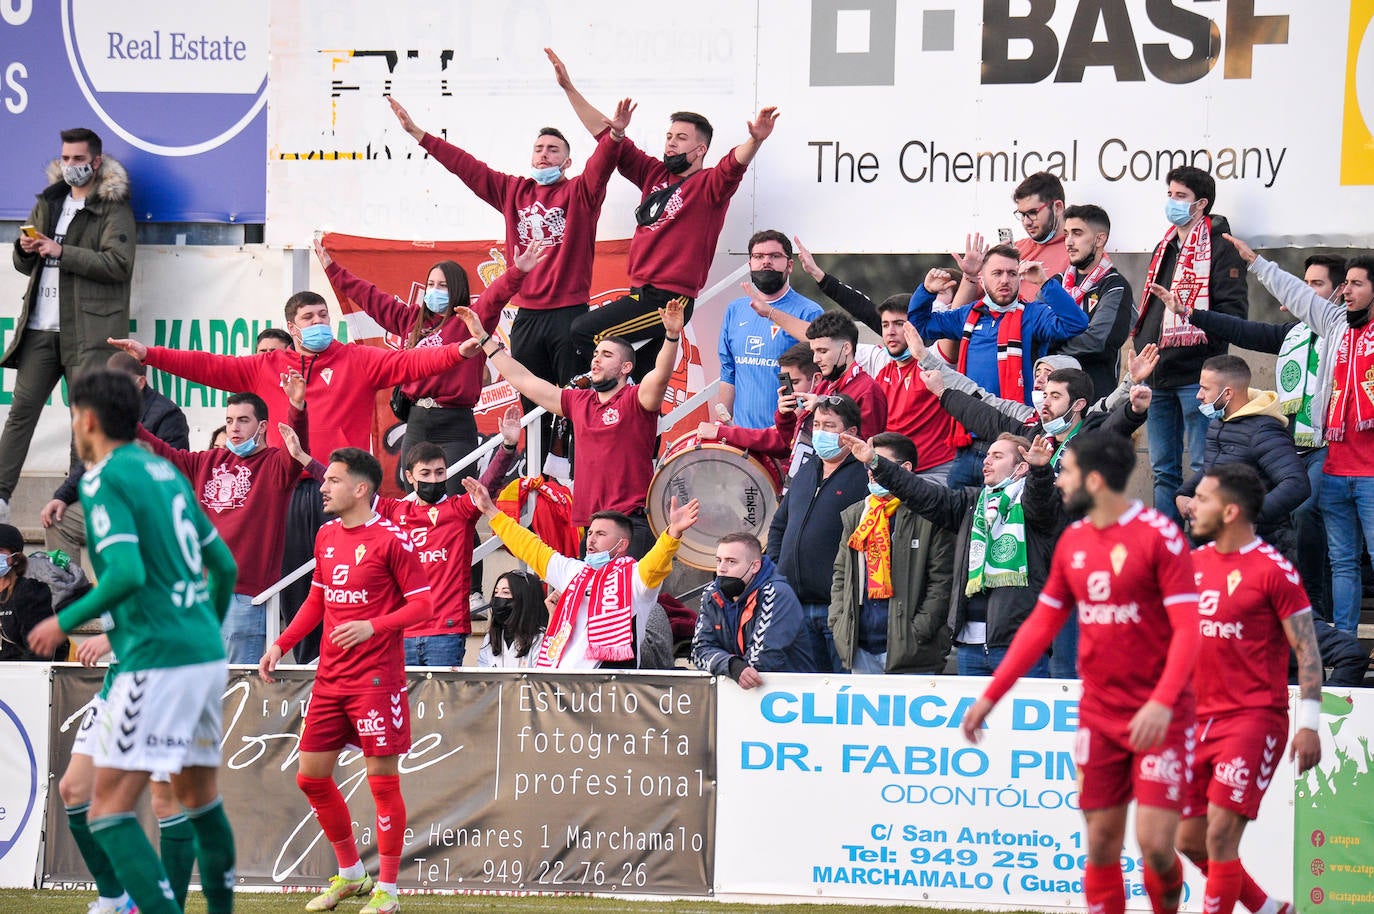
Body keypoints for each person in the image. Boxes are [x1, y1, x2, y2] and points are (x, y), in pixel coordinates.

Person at [110, 288, 477, 662]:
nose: (319, 323)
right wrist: (150, 355)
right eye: (309, 318)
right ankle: (306, 667)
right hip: (283, 489)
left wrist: (458, 352)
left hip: (340, 492)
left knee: (353, 581)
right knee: (294, 589)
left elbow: (411, 363)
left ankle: (350, 661)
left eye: (323, 316)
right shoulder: (265, 366)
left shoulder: (357, 359)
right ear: (292, 327)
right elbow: (209, 366)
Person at [958, 432, 1200, 914]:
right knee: (1102, 844)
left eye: (1064, 471)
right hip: (1100, 715)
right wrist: (990, 696)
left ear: (1093, 479)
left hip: (1160, 714)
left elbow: (1190, 629)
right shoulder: (1074, 541)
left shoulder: (1159, 535)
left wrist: (1162, 700)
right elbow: (1040, 625)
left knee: (1154, 845)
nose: (1057, 480)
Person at [27, 369, 239, 914]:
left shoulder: (103, 479)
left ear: (87, 420)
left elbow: (124, 574)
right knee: (200, 802)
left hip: (158, 661)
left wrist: (61, 621)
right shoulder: (167, 474)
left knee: (110, 812)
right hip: (201, 656)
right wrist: (202, 634)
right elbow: (225, 567)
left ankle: (135, 903)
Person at [259, 448, 435, 914]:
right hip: (330, 677)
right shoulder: (326, 535)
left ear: (361, 489)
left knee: (382, 782)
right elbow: (317, 600)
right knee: (310, 778)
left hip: (376, 680)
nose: (323, 487)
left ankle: (389, 891)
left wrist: (373, 626)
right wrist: (282, 643)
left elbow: (423, 605)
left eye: (333, 480)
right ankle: (353, 874)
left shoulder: (392, 539)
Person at [548, 48, 779, 378]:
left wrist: (754, 140)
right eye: (669, 136)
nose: (670, 143)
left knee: (584, 332)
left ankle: (589, 390)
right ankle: (626, 412)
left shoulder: (709, 185)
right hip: (640, 295)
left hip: (668, 303)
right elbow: (606, 134)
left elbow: (733, 165)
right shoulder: (653, 174)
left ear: (700, 149)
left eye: (681, 138)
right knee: (646, 386)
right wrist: (569, 88)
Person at [389, 95, 627, 393]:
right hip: (526, 316)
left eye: (553, 151)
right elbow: (467, 168)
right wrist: (418, 134)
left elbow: (601, 166)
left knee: (574, 399)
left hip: (569, 313)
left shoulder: (580, 192)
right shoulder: (513, 191)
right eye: (539, 149)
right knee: (530, 400)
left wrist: (615, 136)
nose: (544, 155)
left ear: (567, 162)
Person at [1175, 463, 1323, 914]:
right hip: (1198, 718)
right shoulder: (1192, 564)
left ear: (1231, 511)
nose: (1190, 504)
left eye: (1202, 498)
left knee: (1220, 834)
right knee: (1188, 839)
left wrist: (1309, 724)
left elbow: (1308, 651)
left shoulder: (1274, 571)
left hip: (1253, 719)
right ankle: (1270, 909)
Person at [1172, 250, 1346, 623]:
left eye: (1317, 285)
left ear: (1339, 293)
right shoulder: (1292, 333)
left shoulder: (1343, 334)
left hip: (1326, 448)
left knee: (1303, 509)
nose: (1307, 292)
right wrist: (1190, 313)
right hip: (1290, 445)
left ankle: (1314, 608)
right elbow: (1242, 330)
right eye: (1305, 284)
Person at [456, 298, 684, 557]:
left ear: (626, 368)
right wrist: (484, 339)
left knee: (628, 599)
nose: (596, 360)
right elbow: (524, 379)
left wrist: (671, 336)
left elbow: (661, 376)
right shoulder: (579, 400)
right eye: (596, 354)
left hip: (630, 524)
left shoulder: (637, 399)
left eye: (607, 355)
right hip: (591, 528)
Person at [1, 127, 135, 524]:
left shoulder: (113, 207)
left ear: (95, 162)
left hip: (89, 332)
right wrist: (25, 250)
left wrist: (62, 251)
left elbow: (119, 264)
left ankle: (77, 502)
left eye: (78, 159)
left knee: (85, 417)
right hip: (41, 327)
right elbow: (25, 264)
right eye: (65, 158)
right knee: (21, 411)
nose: (70, 166)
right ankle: (1, 497)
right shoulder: (50, 201)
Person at [137, 376, 315, 664]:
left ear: (262, 426)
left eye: (243, 420)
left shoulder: (274, 465)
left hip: (244, 599)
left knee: (235, 695)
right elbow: (162, 453)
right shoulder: (206, 461)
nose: (234, 427)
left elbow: (296, 448)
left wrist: (296, 405)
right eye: (230, 419)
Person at [852, 431, 1056, 678]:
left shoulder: (1035, 505)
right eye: (987, 454)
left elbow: (1042, 502)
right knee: (974, 718)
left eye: (998, 456)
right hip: (970, 644)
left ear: (1022, 467)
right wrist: (876, 463)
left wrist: (1040, 472)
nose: (986, 461)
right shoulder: (972, 502)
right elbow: (922, 494)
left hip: (1020, 642)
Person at [463, 475, 698, 669]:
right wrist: (491, 511)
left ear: (623, 544)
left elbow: (656, 563)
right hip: (563, 684)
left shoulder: (636, 578)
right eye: (591, 532)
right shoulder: (574, 571)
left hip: (608, 687)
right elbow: (530, 547)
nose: (590, 539)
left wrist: (672, 534)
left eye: (601, 534)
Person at [910, 247, 1090, 488]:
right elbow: (919, 326)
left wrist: (1045, 284)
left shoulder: (1033, 314)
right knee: (957, 519)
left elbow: (1076, 323)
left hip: (1015, 439)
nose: (1005, 280)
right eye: (997, 273)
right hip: (970, 441)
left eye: (1011, 273)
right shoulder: (968, 315)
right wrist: (926, 291)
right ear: (982, 277)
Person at [1131, 166, 1249, 524]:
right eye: (1169, 195)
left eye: (1180, 197)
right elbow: (1153, 306)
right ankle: (1168, 550)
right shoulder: (1165, 244)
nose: (1172, 202)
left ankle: (1201, 551)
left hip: (1198, 377)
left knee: (1202, 466)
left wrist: (1194, 325)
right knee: (1163, 469)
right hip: (1158, 375)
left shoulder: (1221, 248)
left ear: (1201, 204)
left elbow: (1233, 313)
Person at [57, 633, 201, 914]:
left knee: (165, 801)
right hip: (118, 684)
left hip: (167, 681)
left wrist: (113, 636)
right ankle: (115, 900)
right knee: (73, 790)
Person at [374, 405, 522, 667]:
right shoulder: (396, 512)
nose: (433, 479)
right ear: (409, 477)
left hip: (446, 634)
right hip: (403, 633)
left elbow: (488, 483)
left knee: (441, 708)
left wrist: (508, 447)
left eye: (439, 473)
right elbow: (351, 493)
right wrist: (306, 460)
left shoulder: (459, 510)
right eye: (425, 474)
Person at [40, 351, 190, 565]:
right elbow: (89, 460)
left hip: (147, 508)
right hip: (109, 500)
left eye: (117, 383)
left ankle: (104, 593)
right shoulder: (105, 411)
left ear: (140, 383)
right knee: (57, 520)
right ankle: (66, 591)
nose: (109, 390)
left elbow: (175, 470)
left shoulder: (168, 415)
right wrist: (61, 497)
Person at [830, 433, 955, 674]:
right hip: (861, 647)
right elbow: (841, 573)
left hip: (911, 651)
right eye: (868, 465)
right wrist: (838, 622)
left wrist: (916, 632)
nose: (870, 471)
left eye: (877, 462)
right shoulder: (858, 514)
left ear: (906, 468)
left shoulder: (932, 513)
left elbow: (942, 581)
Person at [767, 394, 868, 673]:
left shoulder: (864, 476)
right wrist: (777, 571)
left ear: (850, 433)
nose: (820, 431)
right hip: (794, 606)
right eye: (817, 424)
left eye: (830, 425)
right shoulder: (806, 471)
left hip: (837, 608)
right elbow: (779, 526)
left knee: (840, 690)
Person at [1172, 354, 1309, 558]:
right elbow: (1211, 470)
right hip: (1216, 541)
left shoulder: (1263, 430)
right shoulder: (1219, 424)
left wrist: (1243, 517)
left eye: (1205, 388)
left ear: (1227, 393)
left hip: (1259, 544)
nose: (1199, 395)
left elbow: (1297, 484)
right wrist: (1183, 494)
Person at [717, 231, 823, 428]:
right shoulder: (735, 310)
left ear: (790, 265)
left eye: (774, 256)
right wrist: (723, 423)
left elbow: (819, 378)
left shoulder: (809, 311)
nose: (766, 262)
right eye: (758, 257)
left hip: (785, 437)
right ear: (750, 264)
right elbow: (728, 372)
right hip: (742, 437)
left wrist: (787, 426)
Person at [692, 532, 818, 685]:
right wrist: (731, 665)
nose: (721, 569)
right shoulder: (711, 594)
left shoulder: (776, 593)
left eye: (731, 562)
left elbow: (761, 662)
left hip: (791, 695)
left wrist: (732, 667)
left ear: (755, 566)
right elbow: (699, 651)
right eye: (719, 561)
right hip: (739, 693)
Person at [1053, 203, 1135, 398]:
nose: (1069, 242)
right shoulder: (1055, 284)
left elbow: (1098, 341)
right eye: (1066, 234)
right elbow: (1035, 330)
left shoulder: (1115, 286)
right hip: (1054, 400)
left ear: (1100, 239)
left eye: (1077, 233)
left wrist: (1052, 347)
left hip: (1096, 400)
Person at [0, 523, 58, 661]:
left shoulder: (30, 591)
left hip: (24, 674)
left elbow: (38, 653)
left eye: (0, 550)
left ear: (15, 557)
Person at [1010, 171, 1071, 300]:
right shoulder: (1015, 249)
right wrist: (970, 276)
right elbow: (959, 311)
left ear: (1058, 207)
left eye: (1033, 212)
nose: (1026, 222)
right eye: (1022, 214)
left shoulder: (1078, 253)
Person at [477, 570, 549, 669]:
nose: (498, 597)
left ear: (524, 599)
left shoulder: (541, 638)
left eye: (506, 592)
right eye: (496, 592)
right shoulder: (491, 638)